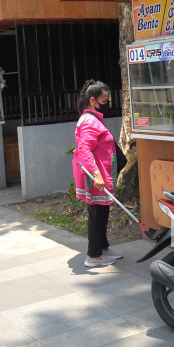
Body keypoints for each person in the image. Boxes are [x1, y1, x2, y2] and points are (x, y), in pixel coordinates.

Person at [73, 79, 123, 267]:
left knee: (102, 210)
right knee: (97, 212)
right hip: (97, 175)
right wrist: (97, 175)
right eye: (104, 101)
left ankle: (103, 248)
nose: (107, 105)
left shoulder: (92, 119)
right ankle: (93, 256)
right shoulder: (89, 122)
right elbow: (85, 149)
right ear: (93, 101)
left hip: (102, 173)